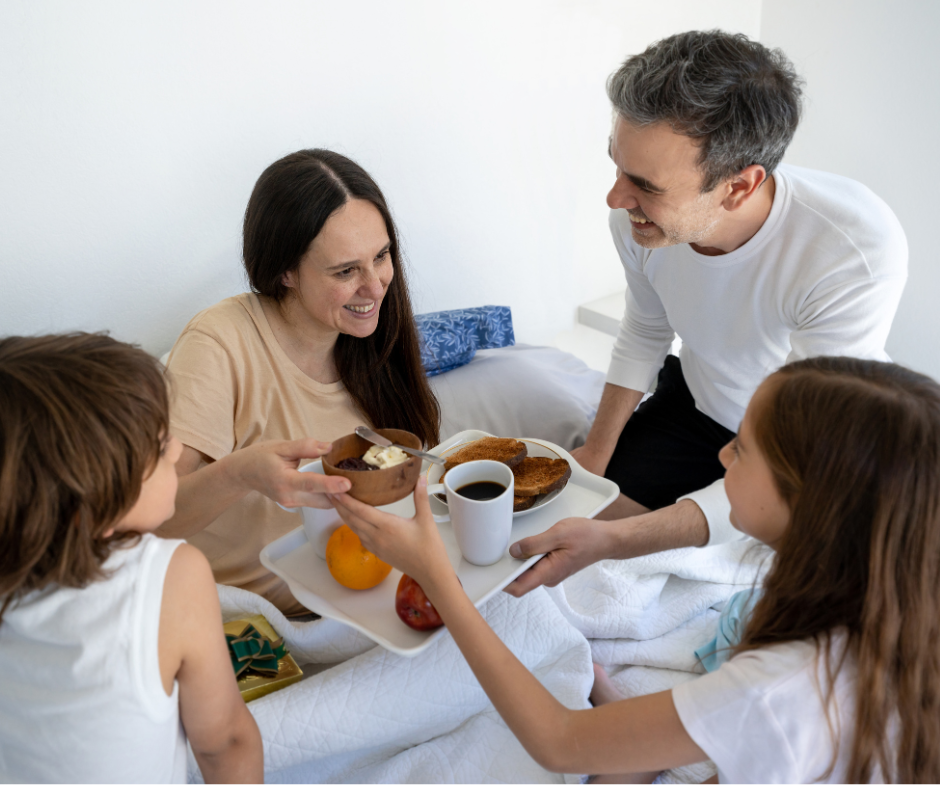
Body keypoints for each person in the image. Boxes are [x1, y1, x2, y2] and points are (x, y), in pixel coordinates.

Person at [330, 356, 940, 783]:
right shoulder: (892, 604)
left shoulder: (782, 689)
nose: (721, 453)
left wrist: (436, 576)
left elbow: (558, 741)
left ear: (809, 499)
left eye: (743, 447)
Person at [504, 30, 907, 597]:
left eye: (644, 185)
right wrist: (597, 453)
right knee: (547, 539)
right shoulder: (637, 223)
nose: (616, 200)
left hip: (803, 438)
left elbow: (815, 439)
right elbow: (646, 329)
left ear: (740, 187)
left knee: (798, 574)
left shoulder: (850, 248)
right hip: (696, 405)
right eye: (618, 168)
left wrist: (620, 540)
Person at [157, 149, 440, 614]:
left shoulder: (373, 344)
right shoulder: (219, 343)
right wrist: (241, 472)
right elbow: (158, 518)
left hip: (372, 597)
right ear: (285, 271)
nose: (375, 286)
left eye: (382, 256)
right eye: (346, 271)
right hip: (259, 621)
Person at [0, 333, 262, 783]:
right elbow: (225, 743)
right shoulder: (172, 576)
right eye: (160, 449)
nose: (179, 450)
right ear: (93, 507)